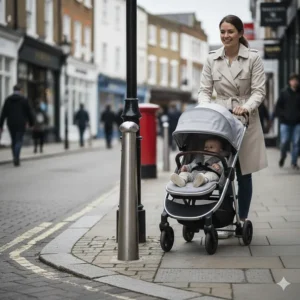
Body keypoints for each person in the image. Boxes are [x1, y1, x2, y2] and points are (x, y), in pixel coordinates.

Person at [198, 15, 267, 238]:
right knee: (222, 169)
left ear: (239, 33)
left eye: (230, 32)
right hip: (221, 118)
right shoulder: (212, 59)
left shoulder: (253, 58)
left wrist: (246, 107)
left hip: (246, 118)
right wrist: (205, 109)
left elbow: (259, 91)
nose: (226, 36)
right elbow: (204, 90)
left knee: (243, 171)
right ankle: (224, 216)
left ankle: (242, 218)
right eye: (222, 32)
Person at [0, 84, 34, 166]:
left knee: (14, 140)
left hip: (11, 123)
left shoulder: (8, 100)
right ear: (20, 90)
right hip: (21, 123)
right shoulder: (24, 100)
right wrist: (31, 123)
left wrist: (1, 125)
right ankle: (16, 158)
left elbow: (4, 113)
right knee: (19, 140)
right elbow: (29, 112)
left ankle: (15, 157)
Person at [274, 73, 300, 170]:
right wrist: (282, 116)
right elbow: (278, 107)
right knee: (284, 141)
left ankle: (294, 162)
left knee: (296, 143)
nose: (295, 82)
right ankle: (283, 155)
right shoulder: (284, 93)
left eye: (296, 80)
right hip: (285, 123)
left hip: (297, 123)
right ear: (289, 82)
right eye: (293, 80)